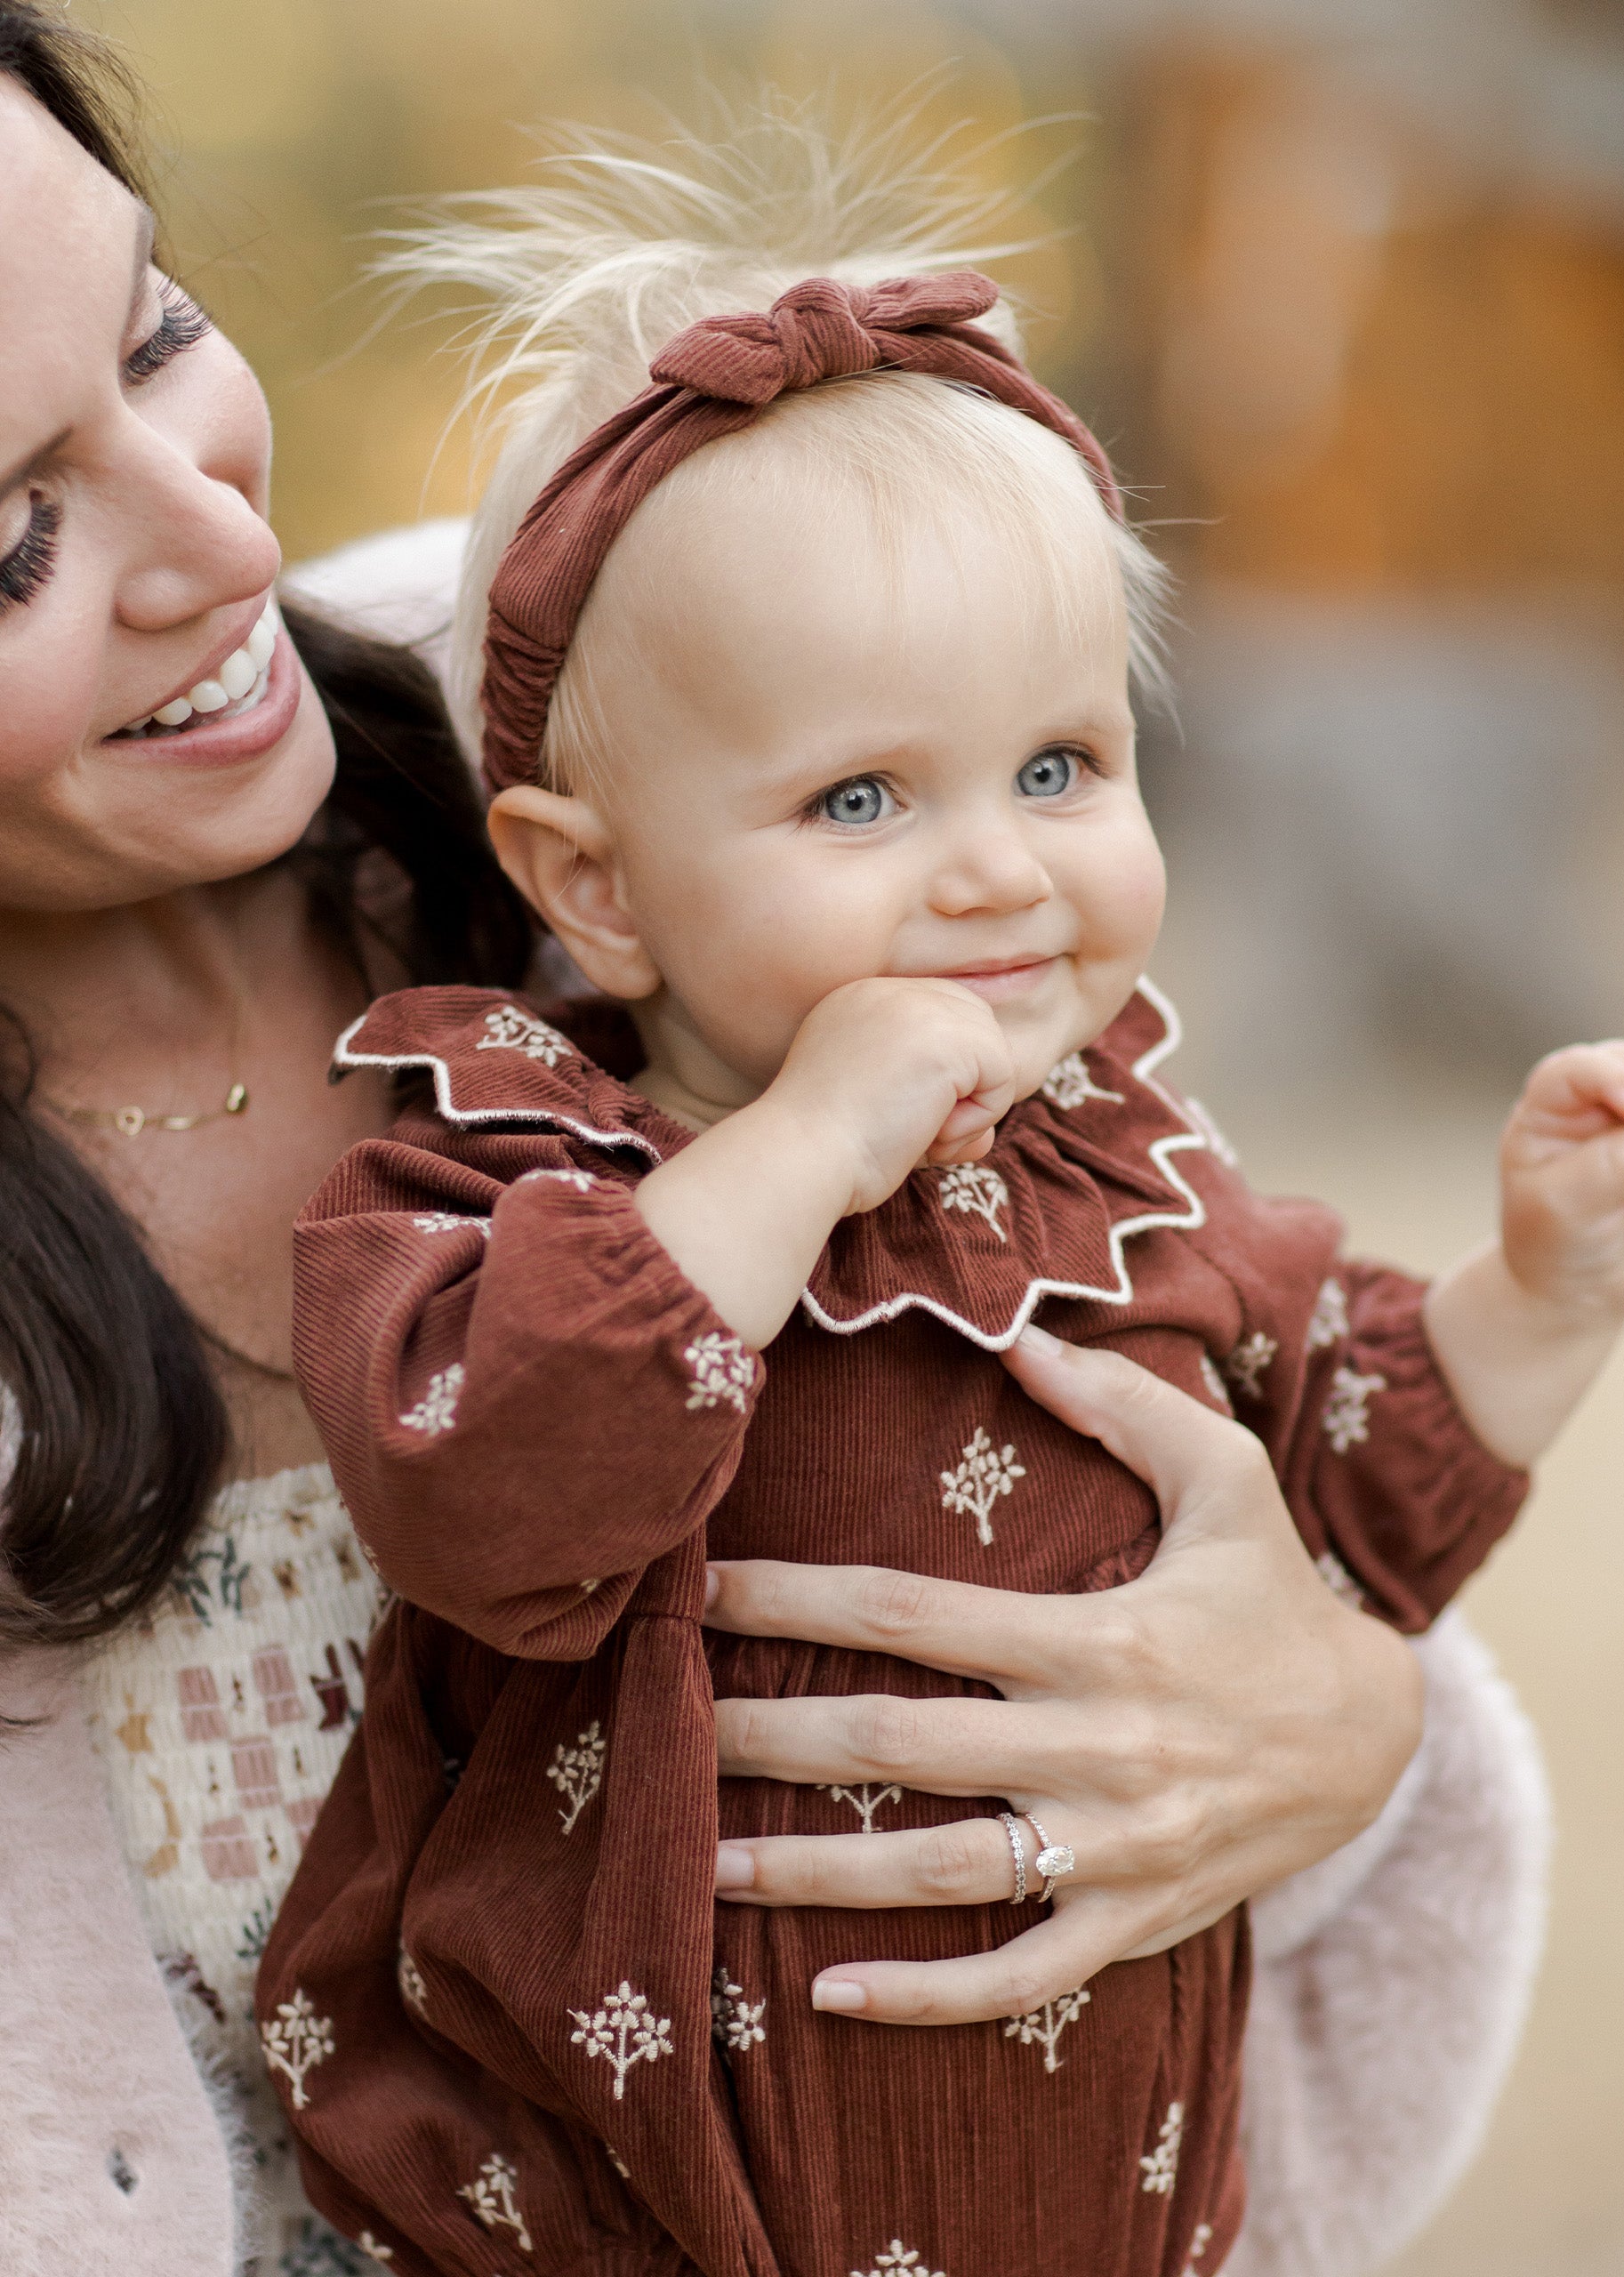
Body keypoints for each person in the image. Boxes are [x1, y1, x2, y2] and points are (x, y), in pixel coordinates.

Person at [0, 19, 1452, 2271]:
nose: (217, 536)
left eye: (157, 331)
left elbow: (1243, 1463)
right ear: (569, 870)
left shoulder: (685, 701)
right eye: (13, 537)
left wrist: (1338, 1714)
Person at [253, 117, 1624, 2277]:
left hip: (1107, 2199)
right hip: (633, 2200)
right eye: (860, 796)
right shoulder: (520, 1173)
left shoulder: (1119, 1162)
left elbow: (1368, 1482)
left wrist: (1546, 1286)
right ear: (595, 882)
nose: (993, 866)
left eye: (1059, 765)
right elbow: (497, 1493)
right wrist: (804, 1145)